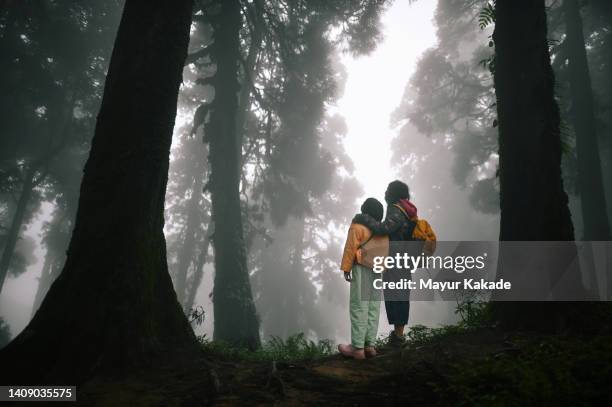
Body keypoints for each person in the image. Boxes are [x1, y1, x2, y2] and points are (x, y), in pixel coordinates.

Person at [353, 180, 435, 348]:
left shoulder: (395, 209)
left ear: (393, 194)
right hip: (404, 260)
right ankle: (398, 334)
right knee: (401, 294)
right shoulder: (407, 211)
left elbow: (384, 229)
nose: (385, 193)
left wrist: (363, 218)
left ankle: (398, 337)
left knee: (396, 294)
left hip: (395, 260)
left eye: (387, 190)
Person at [338, 198, 388, 359]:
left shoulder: (357, 227)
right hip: (377, 271)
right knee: (373, 307)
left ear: (364, 210)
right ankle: (370, 346)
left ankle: (358, 348)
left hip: (361, 267)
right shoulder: (383, 231)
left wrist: (346, 268)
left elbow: (350, 248)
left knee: (359, 306)